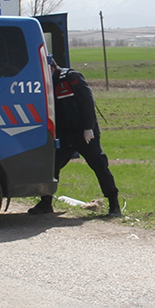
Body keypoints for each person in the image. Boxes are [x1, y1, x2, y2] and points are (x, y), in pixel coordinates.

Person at [28, 56, 120, 217]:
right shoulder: (48, 84)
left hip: (84, 133)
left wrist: (88, 128)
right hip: (65, 135)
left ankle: (114, 205)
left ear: (51, 67)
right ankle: (46, 203)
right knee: (51, 167)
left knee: (99, 165)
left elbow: (87, 102)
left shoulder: (71, 77)